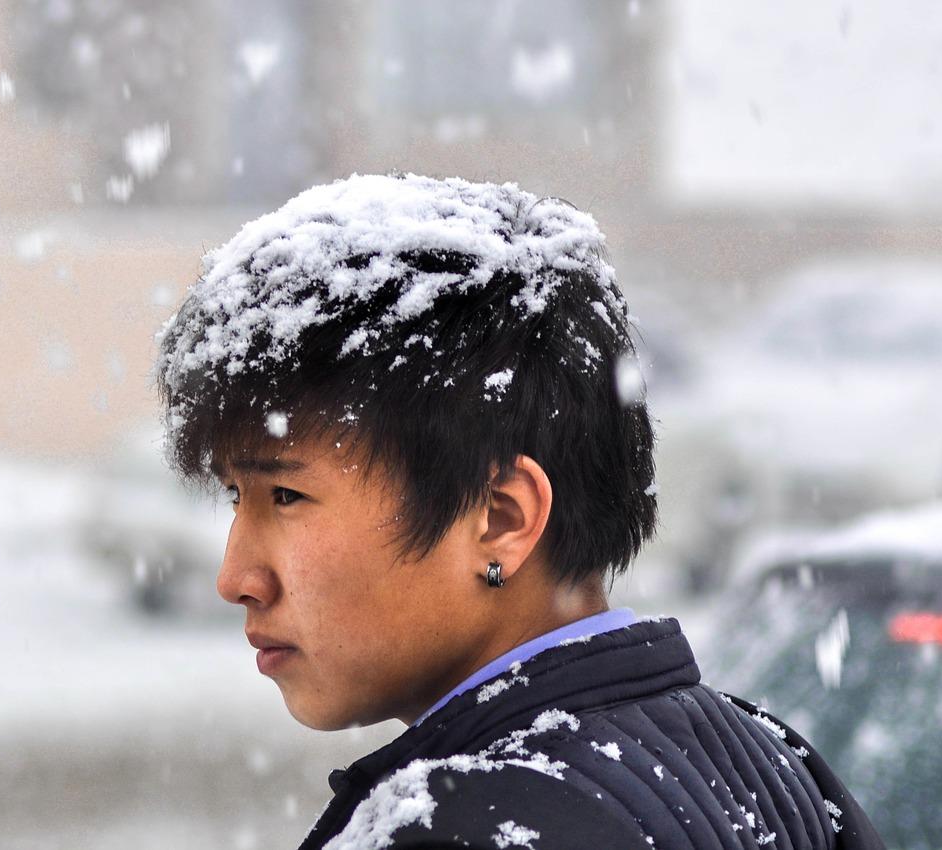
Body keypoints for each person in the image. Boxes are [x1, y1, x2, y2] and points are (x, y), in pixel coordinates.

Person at [154, 174, 883, 850]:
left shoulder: (461, 831)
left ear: (501, 518)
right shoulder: (774, 769)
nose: (236, 575)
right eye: (234, 497)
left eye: (286, 495)